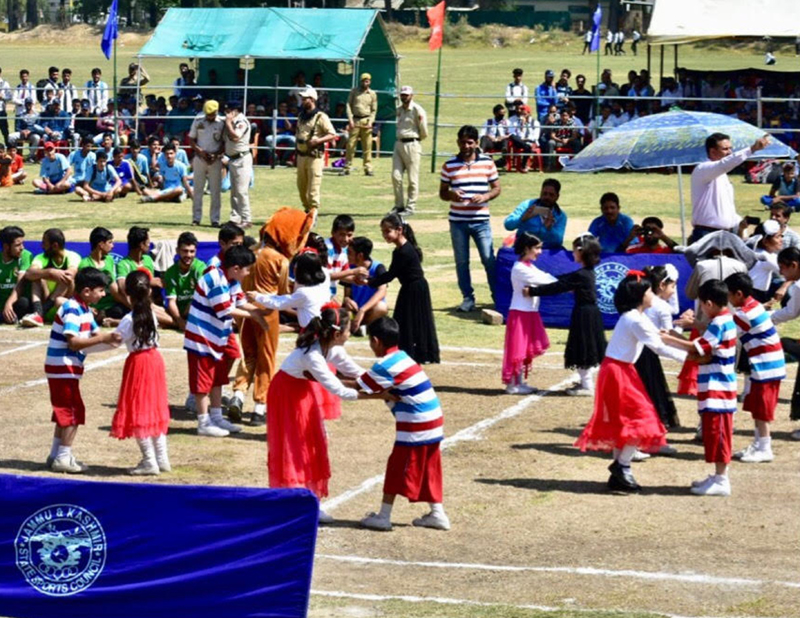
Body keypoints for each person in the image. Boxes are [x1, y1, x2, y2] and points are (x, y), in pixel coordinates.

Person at [267, 306, 380, 523]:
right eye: (349, 329)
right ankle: (294, 503)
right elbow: (340, 390)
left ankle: (309, 501)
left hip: (301, 392)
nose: (351, 332)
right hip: (286, 394)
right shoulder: (313, 356)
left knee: (312, 443)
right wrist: (378, 395)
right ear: (337, 334)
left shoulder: (333, 348)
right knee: (295, 447)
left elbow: (355, 372)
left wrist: (383, 382)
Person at [575, 273, 686, 492]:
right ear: (639, 296)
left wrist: (688, 344)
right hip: (618, 372)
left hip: (621, 370)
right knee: (641, 418)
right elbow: (659, 346)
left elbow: (662, 337)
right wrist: (690, 359)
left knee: (625, 422)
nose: (652, 294)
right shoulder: (635, 319)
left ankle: (620, 473)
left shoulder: (636, 317)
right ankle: (622, 466)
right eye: (648, 291)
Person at [358, 317, 450, 532]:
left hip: (416, 425)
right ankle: (437, 514)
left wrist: (324, 377)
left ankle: (383, 516)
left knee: (396, 467)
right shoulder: (402, 357)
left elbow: (360, 386)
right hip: (433, 420)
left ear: (375, 340)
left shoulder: (383, 365)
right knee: (429, 468)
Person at [230, 208, 313, 426]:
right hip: (268, 314)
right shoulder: (280, 260)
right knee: (266, 358)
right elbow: (284, 292)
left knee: (248, 354)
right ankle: (259, 407)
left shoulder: (252, 253)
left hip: (246, 310)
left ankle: (238, 395)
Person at [662, 280, 737, 497]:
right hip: (713, 388)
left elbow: (697, 348)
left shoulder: (719, 323)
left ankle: (722, 479)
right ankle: (717, 475)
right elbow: (700, 350)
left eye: (702, 305)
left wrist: (667, 338)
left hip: (719, 389)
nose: (702, 310)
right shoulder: (722, 321)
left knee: (719, 434)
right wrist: (676, 335)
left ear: (709, 303)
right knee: (713, 434)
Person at [43, 267, 121, 473]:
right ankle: (63, 457)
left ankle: (55, 455)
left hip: (66, 369)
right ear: (87, 291)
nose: (104, 294)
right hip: (62, 368)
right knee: (72, 412)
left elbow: (93, 339)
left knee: (64, 412)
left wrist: (116, 340)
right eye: (101, 290)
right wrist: (105, 338)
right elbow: (75, 343)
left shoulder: (85, 310)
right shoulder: (72, 309)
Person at [184, 245, 266, 438]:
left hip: (217, 338)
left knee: (218, 378)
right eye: (247, 270)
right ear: (236, 268)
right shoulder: (214, 279)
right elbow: (225, 310)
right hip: (201, 339)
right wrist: (255, 316)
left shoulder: (231, 280)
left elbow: (238, 302)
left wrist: (258, 310)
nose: (248, 274)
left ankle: (216, 415)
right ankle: (203, 422)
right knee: (203, 381)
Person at [109, 270, 171, 476]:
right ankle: (162, 458)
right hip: (154, 360)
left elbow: (115, 340)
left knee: (139, 409)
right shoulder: (151, 314)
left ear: (128, 293)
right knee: (153, 408)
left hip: (139, 364)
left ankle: (149, 460)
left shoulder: (129, 319)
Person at [527, 235, 606, 395]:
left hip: (585, 314)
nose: (572, 253)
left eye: (574, 250)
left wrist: (533, 291)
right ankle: (585, 382)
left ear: (581, 251)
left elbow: (559, 286)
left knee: (581, 347)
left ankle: (586, 385)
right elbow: (564, 280)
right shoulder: (586, 272)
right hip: (589, 312)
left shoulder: (582, 275)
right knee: (585, 346)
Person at [725, 272, 785, 464]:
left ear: (739, 294)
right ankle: (759, 443)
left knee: (762, 409)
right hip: (764, 364)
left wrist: (695, 324)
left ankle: (765, 448)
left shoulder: (745, 314)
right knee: (756, 405)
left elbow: (724, 331)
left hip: (766, 365)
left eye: (729, 294)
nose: (727, 298)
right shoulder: (754, 305)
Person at [439, 125, 501, 312]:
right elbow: (442, 193)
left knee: (489, 259)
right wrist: (452, 195)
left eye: (470, 142)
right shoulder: (449, 165)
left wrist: (485, 197)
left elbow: (497, 188)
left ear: (476, 143)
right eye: (462, 142)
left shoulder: (487, 163)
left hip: (481, 220)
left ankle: (497, 296)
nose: (466, 146)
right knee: (462, 261)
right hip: (458, 221)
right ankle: (467, 297)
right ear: (458, 142)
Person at [366, 214, 439, 364]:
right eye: (383, 231)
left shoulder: (403, 252)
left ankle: (410, 354)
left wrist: (369, 282)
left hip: (413, 290)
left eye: (388, 231)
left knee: (407, 323)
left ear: (399, 230)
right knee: (408, 322)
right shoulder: (403, 249)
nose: (385, 235)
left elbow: (390, 275)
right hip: (413, 288)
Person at [635, 265, 682, 453]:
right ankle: (646, 441)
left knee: (645, 396)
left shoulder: (644, 302)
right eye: (673, 286)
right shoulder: (661, 307)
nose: (674, 291)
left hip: (641, 353)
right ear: (662, 285)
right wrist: (687, 351)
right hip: (648, 355)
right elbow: (666, 336)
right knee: (651, 396)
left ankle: (651, 439)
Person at [690, 132, 770, 243]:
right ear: (712, 151)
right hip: (707, 234)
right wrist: (752, 149)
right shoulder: (703, 169)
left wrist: (739, 221)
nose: (730, 152)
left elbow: (724, 208)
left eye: (730, 148)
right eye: (725, 149)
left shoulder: (722, 175)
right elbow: (726, 163)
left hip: (727, 234)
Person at [502, 232, 555, 394]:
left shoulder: (528, 266)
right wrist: (567, 284)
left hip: (529, 311)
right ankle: (513, 383)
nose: (539, 252)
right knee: (517, 348)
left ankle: (519, 381)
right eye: (537, 248)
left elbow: (544, 276)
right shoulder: (520, 268)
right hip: (520, 312)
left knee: (524, 348)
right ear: (527, 248)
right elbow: (544, 280)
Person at [21, 228, 81, 327]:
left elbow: (70, 275)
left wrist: (49, 274)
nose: (42, 246)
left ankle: (41, 313)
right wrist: (50, 272)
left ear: (55, 246)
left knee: (67, 279)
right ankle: (38, 312)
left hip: (62, 305)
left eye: (44, 243)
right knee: (35, 277)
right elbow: (29, 274)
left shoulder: (72, 256)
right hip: (45, 299)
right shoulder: (41, 257)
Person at [772, 247, 800, 440]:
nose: (782, 273)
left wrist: (765, 317)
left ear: (794, 265)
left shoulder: (798, 287)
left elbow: (791, 312)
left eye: (783, 268)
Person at [295, 86, 336, 213]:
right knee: (301, 187)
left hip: (314, 157)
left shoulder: (321, 117)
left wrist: (318, 141)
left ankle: (313, 212)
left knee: (313, 187)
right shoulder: (301, 116)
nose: (302, 101)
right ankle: (306, 209)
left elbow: (332, 134)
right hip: (301, 156)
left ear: (312, 99)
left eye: (305, 98)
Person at [77, 227, 127, 322]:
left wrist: (132, 306)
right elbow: (81, 292)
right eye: (110, 242)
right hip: (93, 307)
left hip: (111, 306)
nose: (112, 246)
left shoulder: (110, 260)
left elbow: (115, 291)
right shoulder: (85, 264)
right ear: (101, 244)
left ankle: (105, 317)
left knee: (121, 310)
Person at [392, 85, 428, 216]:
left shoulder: (417, 110)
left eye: (406, 95)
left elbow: (424, 131)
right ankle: (399, 206)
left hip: (412, 144)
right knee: (396, 176)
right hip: (399, 143)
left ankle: (411, 206)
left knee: (412, 179)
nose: (404, 97)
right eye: (402, 95)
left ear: (411, 95)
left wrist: (416, 140)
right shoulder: (399, 110)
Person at [189, 99, 225, 227]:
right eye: (208, 114)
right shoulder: (198, 120)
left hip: (215, 159)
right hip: (200, 158)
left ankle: (215, 219)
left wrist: (216, 154)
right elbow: (191, 139)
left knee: (215, 191)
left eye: (212, 114)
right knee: (198, 190)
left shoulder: (222, 122)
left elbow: (225, 142)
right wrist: (200, 151)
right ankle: (196, 218)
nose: (210, 117)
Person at [342, 236, 389, 334]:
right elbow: (347, 293)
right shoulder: (349, 268)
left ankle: (360, 326)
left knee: (381, 307)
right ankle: (361, 327)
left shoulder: (378, 268)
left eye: (349, 253)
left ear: (360, 256)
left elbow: (382, 291)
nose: (347, 255)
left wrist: (363, 310)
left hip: (370, 309)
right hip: (355, 309)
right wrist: (347, 299)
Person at [504, 178, 566, 250]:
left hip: (546, 250)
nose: (547, 197)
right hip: (524, 249)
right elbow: (508, 225)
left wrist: (549, 229)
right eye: (544, 193)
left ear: (557, 196)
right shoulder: (527, 205)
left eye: (551, 195)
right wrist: (522, 218)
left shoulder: (560, 216)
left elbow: (558, 241)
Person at [164, 232, 206, 332]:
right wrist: (179, 320)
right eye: (185, 251)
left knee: (194, 301)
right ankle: (180, 323)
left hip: (196, 310)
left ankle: (177, 323)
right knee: (151, 309)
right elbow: (171, 301)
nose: (188, 255)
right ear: (177, 251)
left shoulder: (200, 268)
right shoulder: (171, 272)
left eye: (192, 251)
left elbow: (203, 296)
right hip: (179, 314)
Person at [223, 100, 252, 228]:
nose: (226, 114)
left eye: (229, 111)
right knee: (234, 191)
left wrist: (228, 123)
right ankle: (235, 218)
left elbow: (235, 137)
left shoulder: (241, 122)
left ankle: (246, 219)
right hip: (233, 159)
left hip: (242, 159)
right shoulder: (234, 121)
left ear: (235, 111)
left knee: (241, 191)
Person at [343, 73, 378, 176]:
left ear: (370, 81)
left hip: (366, 121)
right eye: (364, 80)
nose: (366, 82)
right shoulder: (354, 92)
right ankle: (347, 167)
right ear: (361, 81)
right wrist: (350, 120)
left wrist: (371, 122)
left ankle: (368, 168)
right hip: (355, 120)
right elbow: (348, 105)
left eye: (368, 80)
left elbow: (374, 110)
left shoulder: (372, 94)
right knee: (350, 145)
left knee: (367, 146)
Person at [0, 225, 33, 325]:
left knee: (24, 302)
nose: (22, 248)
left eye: (23, 243)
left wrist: (9, 303)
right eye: (18, 245)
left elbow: (20, 283)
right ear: (6, 246)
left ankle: (11, 316)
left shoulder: (25, 256)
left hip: (16, 303)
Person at [326, 214, 356, 299]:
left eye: (349, 235)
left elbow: (344, 275)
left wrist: (360, 280)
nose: (346, 239)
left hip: (329, 295)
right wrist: (353, 272)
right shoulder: (327, 249)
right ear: (333, 233)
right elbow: (327, 276)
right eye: (342, 234)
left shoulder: (344, 250)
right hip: (319, 295)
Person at [507, 105, 541, 172]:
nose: (523, 115)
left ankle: (523, 164)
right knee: (512, 136)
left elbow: (535, 137)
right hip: (520, 142)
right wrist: (522, 126)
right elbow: (517, 135)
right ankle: (523, 165)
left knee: (527, 146)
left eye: (524, 114)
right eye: (521, 114)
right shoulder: (518, 122)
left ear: (529, 113)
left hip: (530, 142)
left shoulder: (535, 123)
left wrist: (525, 139)